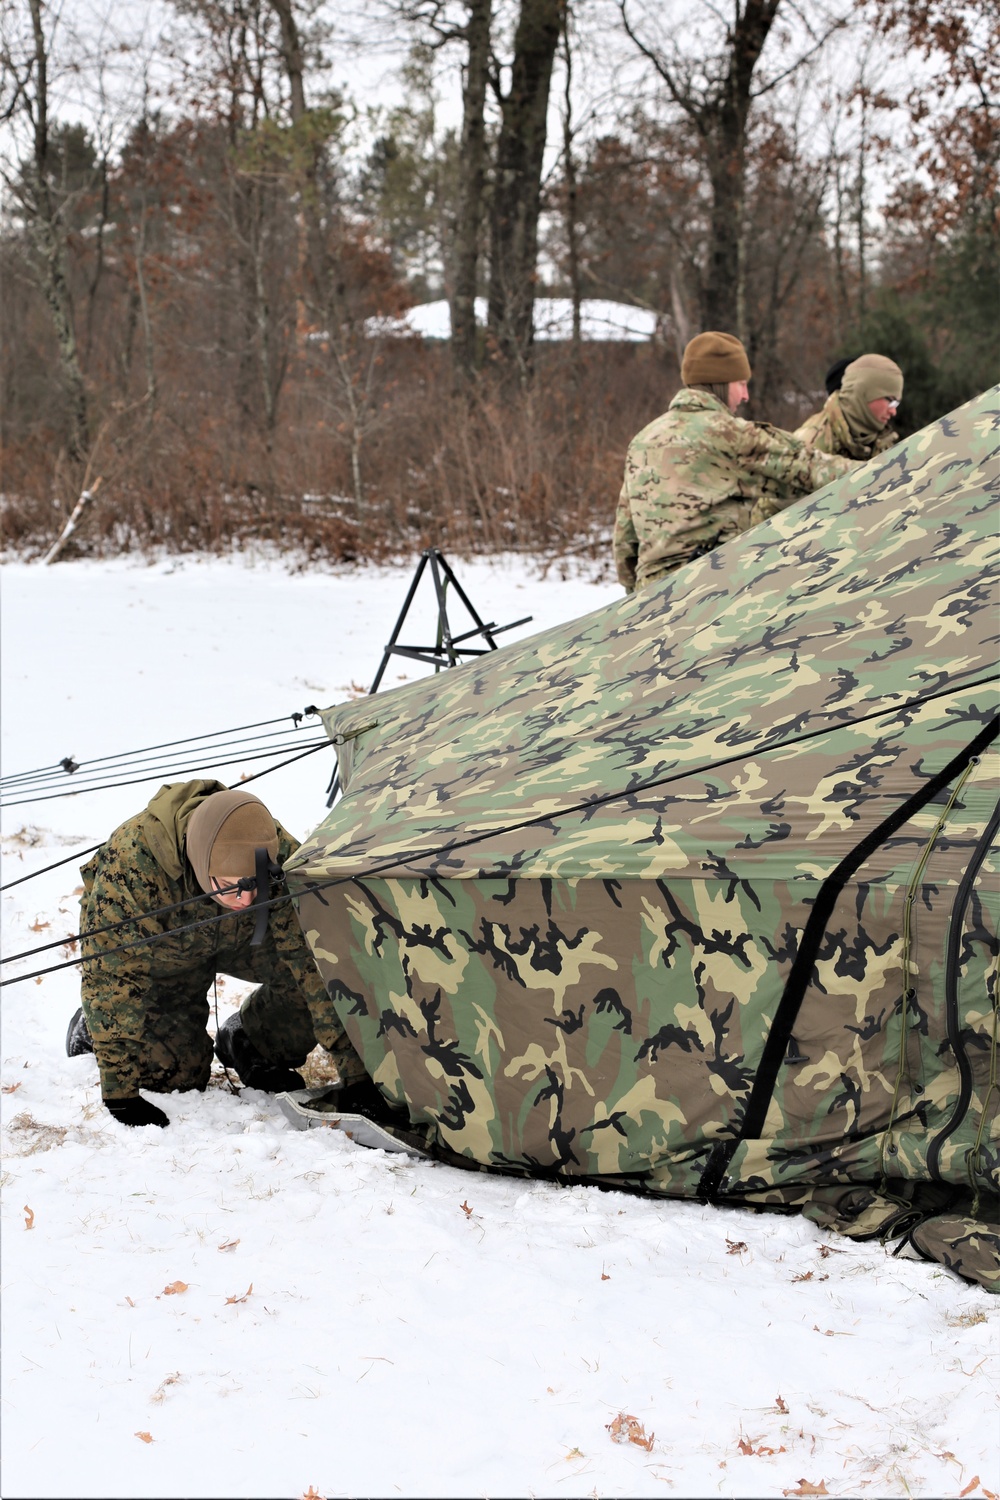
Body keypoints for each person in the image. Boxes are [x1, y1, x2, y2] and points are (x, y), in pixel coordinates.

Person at [65, 780, 388, 1128]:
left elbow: (314, 959)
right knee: (175, 1077)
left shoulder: (272, 845)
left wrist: (357, 1077)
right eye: (231, 886)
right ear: (202, 862)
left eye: (253, 885)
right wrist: (119, 1091)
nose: (245, 900)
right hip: (164, 961)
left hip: (243, 939)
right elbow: (113, 975)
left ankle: (250, 1041)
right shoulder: (132, 862)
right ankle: (91, 1027)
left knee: (309, 974)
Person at [613, 332, 856, 594]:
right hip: (709, 594)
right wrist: (891, 468)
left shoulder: (643, 440)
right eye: (741, 383)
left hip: (650, 600)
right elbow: (813, 468)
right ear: (721, 383)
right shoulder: (731, 435)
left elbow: (625, 540)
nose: (746, 395)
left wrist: (634, 595)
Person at [795, 353, 904, 461]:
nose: (893, 411)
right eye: (890, 401)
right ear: (863, 393)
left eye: (897, 403)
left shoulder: (880, 440)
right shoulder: (809, 445)